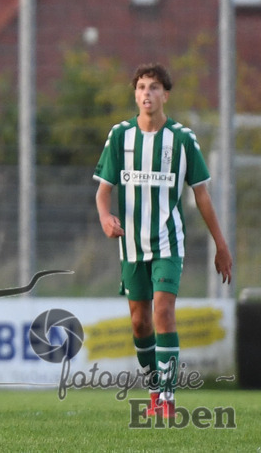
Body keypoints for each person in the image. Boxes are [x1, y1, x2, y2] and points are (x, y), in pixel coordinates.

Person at [94, 63, 232, 419]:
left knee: (163, 312)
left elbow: (202, 196)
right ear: (135, 94)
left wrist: (222, 245)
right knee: (140, 323)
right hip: (131, 245)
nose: (146, 93)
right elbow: (103, 192)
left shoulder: (183, 139)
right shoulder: (120, 137)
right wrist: (106, 217)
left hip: (169, 243)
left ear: (165, 95)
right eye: (141, 87)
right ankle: (155, 387)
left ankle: (167, 399)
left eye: (154, 87)